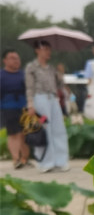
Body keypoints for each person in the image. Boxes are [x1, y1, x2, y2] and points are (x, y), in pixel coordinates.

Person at [24, 40, 70, 172]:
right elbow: (29, 87)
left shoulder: (51, 68)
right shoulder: (31, 67)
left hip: (53, 99)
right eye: (45, 49)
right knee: (44, 130)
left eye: (49, 49)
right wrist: (30, 105)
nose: (48, 52)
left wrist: (60, 74)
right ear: (37, 50)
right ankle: (45, 162)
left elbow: (60, 86)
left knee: (58, 129)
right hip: (40, 99)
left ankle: (61, 161)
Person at [1, 49, 30, 169]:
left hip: (24, 107)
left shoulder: (24, 75)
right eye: (12, 58)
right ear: (5, 60)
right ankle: (15, 159)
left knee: (24, 134)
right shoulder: (1, 75)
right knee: (13, 133)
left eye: (17, 58)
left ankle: (24, 159)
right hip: (8, 107)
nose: (16, 61)